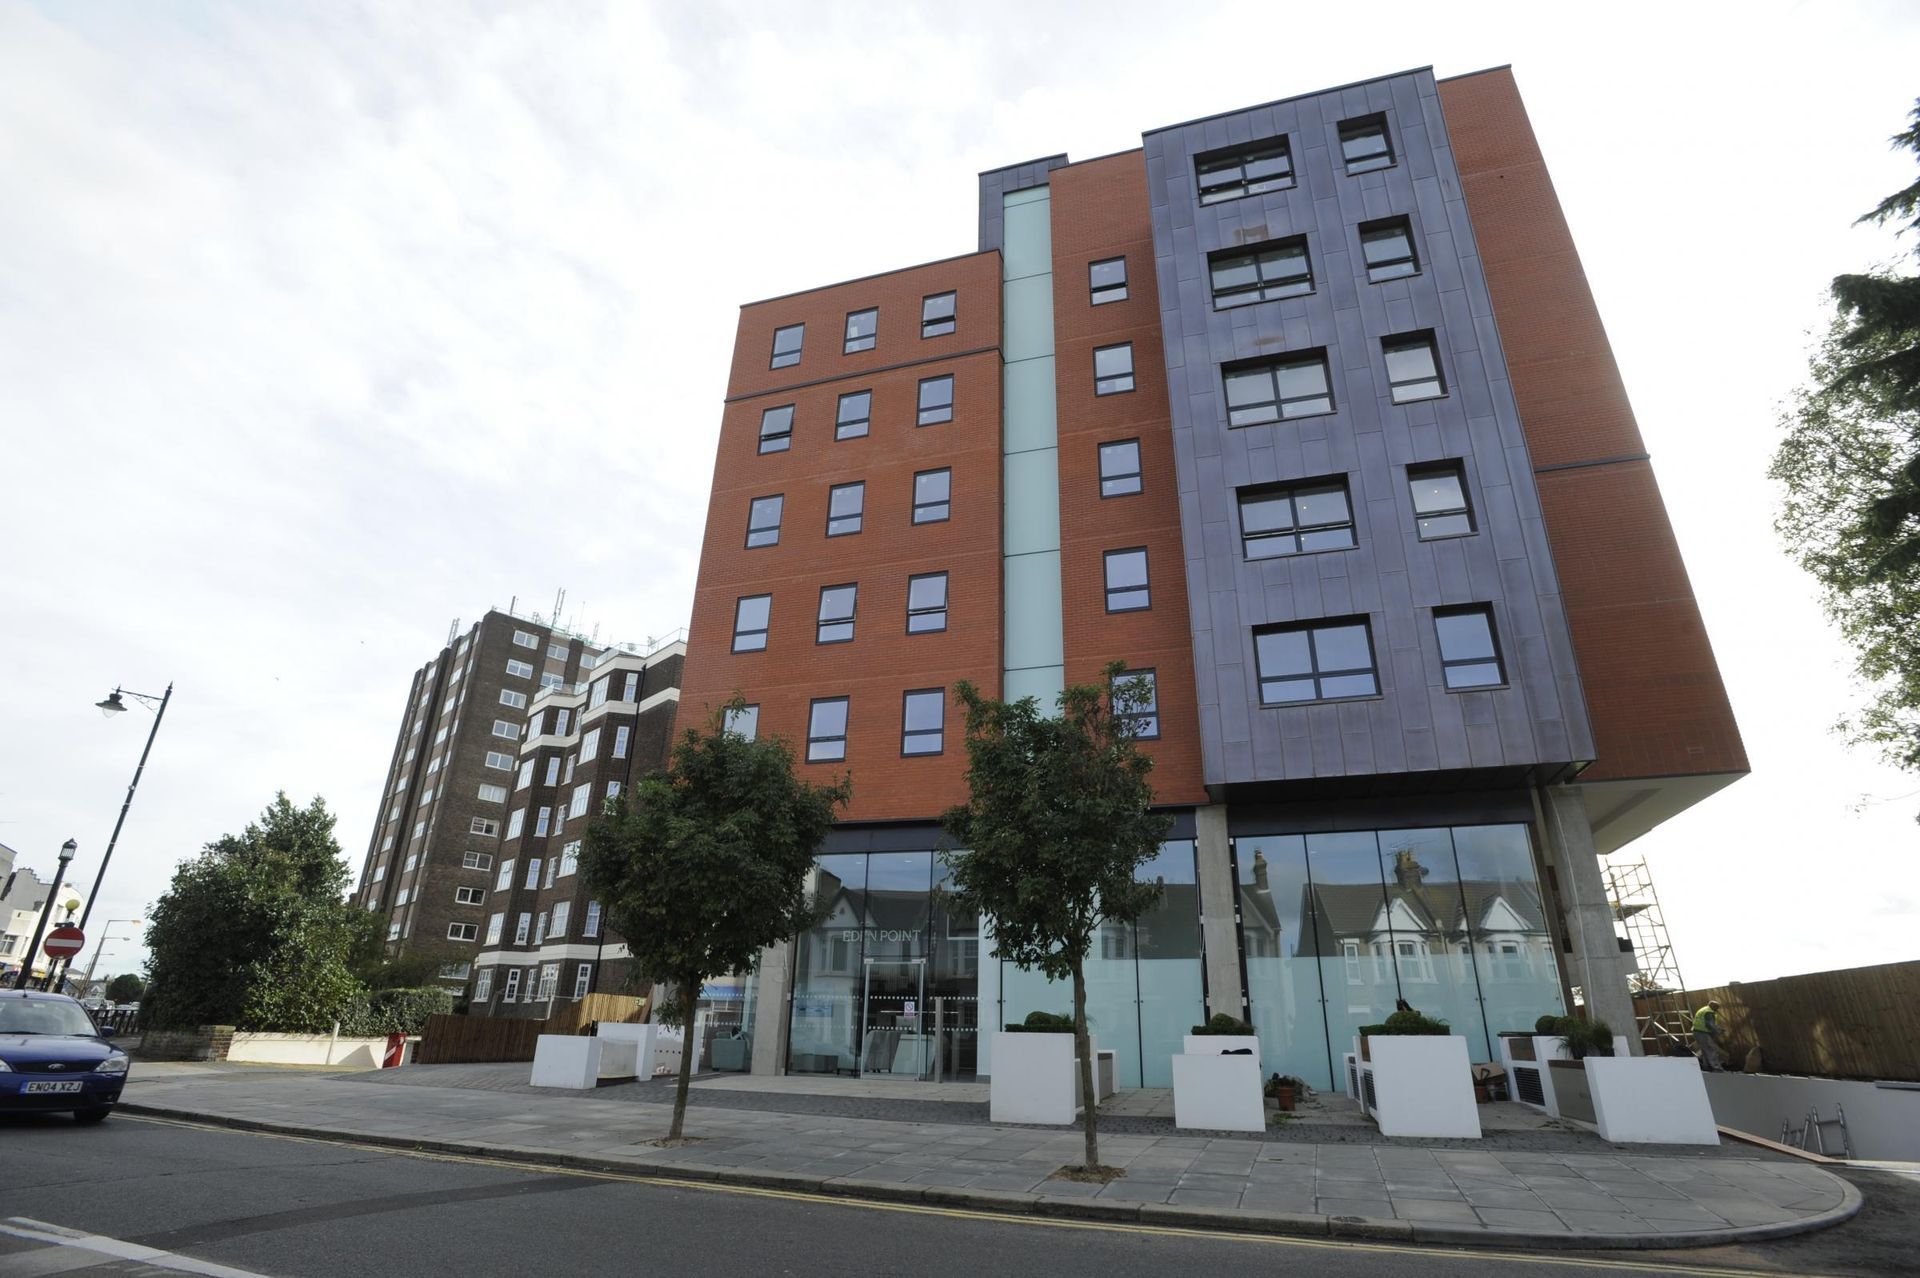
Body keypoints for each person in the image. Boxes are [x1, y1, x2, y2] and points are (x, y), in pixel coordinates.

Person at [1691, 999, 1724, 1071]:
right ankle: (1716, 1067)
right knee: (1711, 1049)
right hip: (1702, 1033)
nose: (1717, 1009)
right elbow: (1710, 1025)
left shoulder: (1703, 1010)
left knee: (1705, 1050)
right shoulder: (1709, 1012)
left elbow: (1707, 1023)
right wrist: (1718, 1031)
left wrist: (1717, 1029)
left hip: (1697, 1032)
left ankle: (1707, 1067)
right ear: (1713, 1006)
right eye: (1717, 1007)